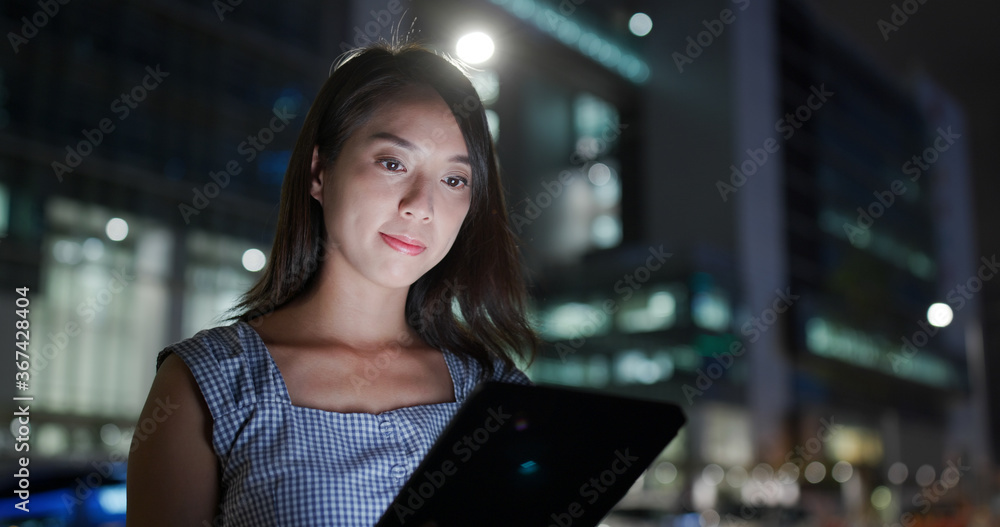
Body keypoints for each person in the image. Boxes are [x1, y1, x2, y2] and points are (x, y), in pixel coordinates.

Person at [126, 41, 539, 526]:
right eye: (393, 163)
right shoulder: (210, 384)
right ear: (320, 172)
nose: (420, 205)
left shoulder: (495, 391)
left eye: (454, 180)